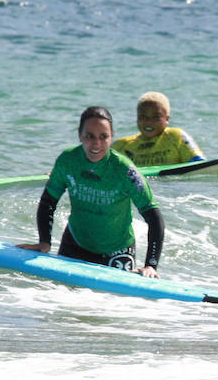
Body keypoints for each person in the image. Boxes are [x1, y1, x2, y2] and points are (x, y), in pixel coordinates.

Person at [17, 106, 165, 278]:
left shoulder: (125, 170)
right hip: (75, 245)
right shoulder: (68, 160)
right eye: (90, 136)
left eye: (104, 137)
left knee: (115, 303)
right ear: (80, 135)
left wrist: (150, 265)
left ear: (111, 137)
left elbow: (154, 216)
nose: (96, 144)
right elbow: (48, 202)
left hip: (117, 252)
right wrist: (44, 242)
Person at [112, 91, 204, 167]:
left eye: (156, 117)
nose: (149, 121)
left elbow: (200, 164)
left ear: (167, 119)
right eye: (143, 116)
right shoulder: (121, 146)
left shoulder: (176, 137)